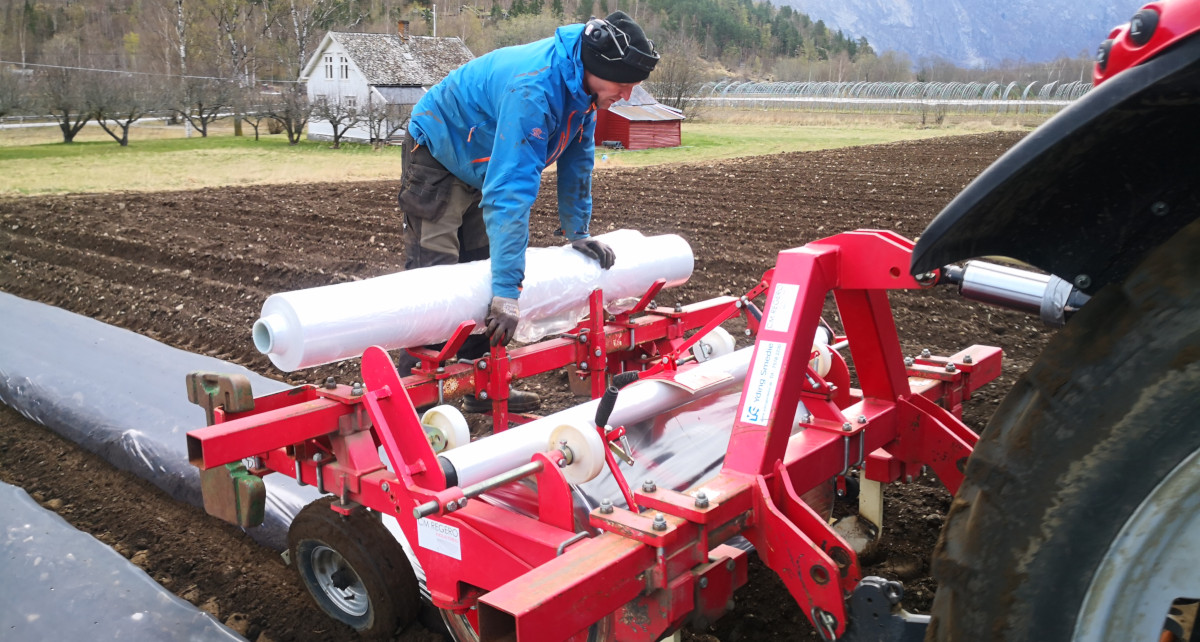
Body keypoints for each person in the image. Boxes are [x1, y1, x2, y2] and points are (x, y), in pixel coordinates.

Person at [395, 10, 659, 413]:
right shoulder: (534, 90)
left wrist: (578, 232)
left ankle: (477, 385)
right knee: (438, 277)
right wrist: (508, 294)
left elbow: (578, 158)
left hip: (483, 156)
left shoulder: (582, 90)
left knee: (481, 268)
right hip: (440, 150)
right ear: (596, 67)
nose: (626, 95)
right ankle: (406, 402)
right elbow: (510, 192)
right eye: (622, 85)